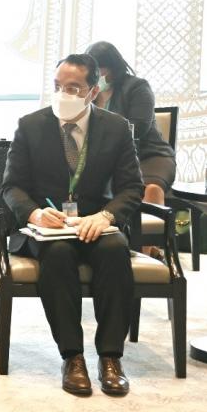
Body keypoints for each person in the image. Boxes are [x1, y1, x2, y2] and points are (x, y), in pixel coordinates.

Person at [1, 54, 144, 397]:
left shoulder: (116, 127)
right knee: (59, 254)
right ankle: (72, 357)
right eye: (57, 86)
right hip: (47, 228)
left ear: (93, 91)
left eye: (73, 88)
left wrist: (106, 216)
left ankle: (110, 358)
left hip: (95, 224)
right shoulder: (30, 125)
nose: (63, 94)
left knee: (115, 250)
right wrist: (34, 213)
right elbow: (11, 187)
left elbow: (132, 187)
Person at [85, 41, 176, 258]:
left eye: (100, 70)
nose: (96, 75)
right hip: (109, 157)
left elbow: (139, 127)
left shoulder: (136, 87)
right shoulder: (89, 91)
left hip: (149, 154)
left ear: (113, 67)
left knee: (149, 188)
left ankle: (146, 252)